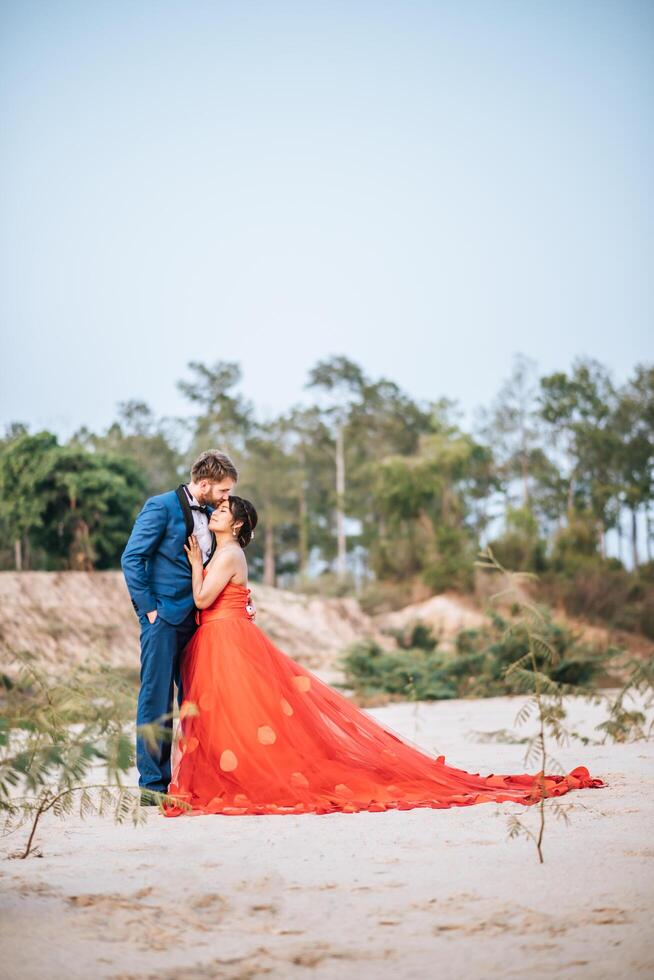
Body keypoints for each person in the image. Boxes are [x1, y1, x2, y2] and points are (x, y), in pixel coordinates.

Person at [164, 495, 605, 817]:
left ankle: (243, 778)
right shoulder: (228, 551)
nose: (217, 513)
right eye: (218, 509)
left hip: (226, 638)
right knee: (237, 714)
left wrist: (194, 564)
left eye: (224, 511)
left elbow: (203, 599)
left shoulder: (227, 553)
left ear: (238, 525)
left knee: (241, 713)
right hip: (225, 637)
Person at [121, 450, 245, 802]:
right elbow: (132, 558)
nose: (226, 498)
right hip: (163, 621)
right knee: (157, 701)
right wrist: (148, 611)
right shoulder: (160, 507)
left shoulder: (211, 514)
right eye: (222, 491)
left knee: (197, 701)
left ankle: (198, 780)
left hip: (200, 623)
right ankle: (153, 787)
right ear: (204, 484)